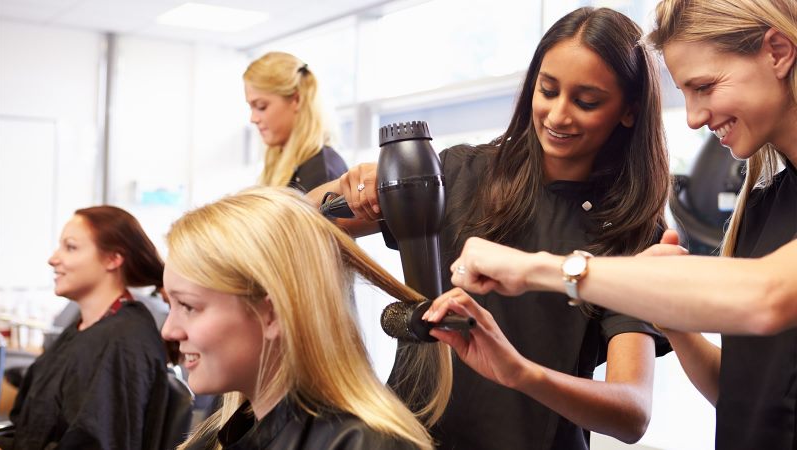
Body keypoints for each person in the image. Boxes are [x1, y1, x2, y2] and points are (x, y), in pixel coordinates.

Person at [309, 7, 671, 449]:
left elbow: (631, 412)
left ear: (629, 110)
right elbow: (300, 224)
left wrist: (519, 372)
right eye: (548, 89)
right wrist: (346, 187)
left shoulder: (631, 233)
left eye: (587, 101)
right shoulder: (461, 173)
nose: (557, 115)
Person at [443, 0, 797, 448]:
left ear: (779, 51)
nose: (692, 118)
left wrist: (540, 269)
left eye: (705, 86)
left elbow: (768, 296)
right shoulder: (765, 208)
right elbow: (746, 393)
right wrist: (670, 316)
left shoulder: (628, 231)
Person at [161, 187, 451, 450]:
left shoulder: (364, 444)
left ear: (273, 313)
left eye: (188, 307)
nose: (169, 330)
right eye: (170, 305)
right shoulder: (218, 438)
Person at [0, 206, 170, 450]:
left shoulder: (124, 341)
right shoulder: (80, 328)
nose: (53, 258)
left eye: (70, 247)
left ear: (113, 259)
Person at [244, 51, 348, 191]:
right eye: (251, 108)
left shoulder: (322, 171)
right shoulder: (283, 162)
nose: (253, 119)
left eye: (261, 107)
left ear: (296, 100)